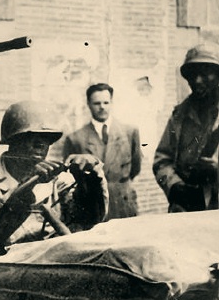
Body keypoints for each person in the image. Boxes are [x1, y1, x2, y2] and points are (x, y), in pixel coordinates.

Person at [0, 101, 108, 252]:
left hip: (52, 260)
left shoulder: (57, 180)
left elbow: (89, 219)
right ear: (12, 141)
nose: (41, 144)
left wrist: (90, 180)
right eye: (31, 137)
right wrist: (26, 186)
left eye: (46, 138)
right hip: (4, 264)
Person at [154, 43, 219, 212]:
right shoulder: (179, 115)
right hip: (185, 208)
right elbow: (161, 160)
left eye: (205, 73)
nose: (197, 80)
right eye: (192, 75)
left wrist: (216, 170)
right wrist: (175, 186)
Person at [63, 83, 143, 219]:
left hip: (123, 204)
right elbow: (69, 177)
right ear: (88, 104)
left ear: (112, 102)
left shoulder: (129, 132)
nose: (102, 107)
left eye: (106, 102)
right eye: (97, 103)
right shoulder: (75, 139)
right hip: (92, 206)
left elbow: (135, 167)